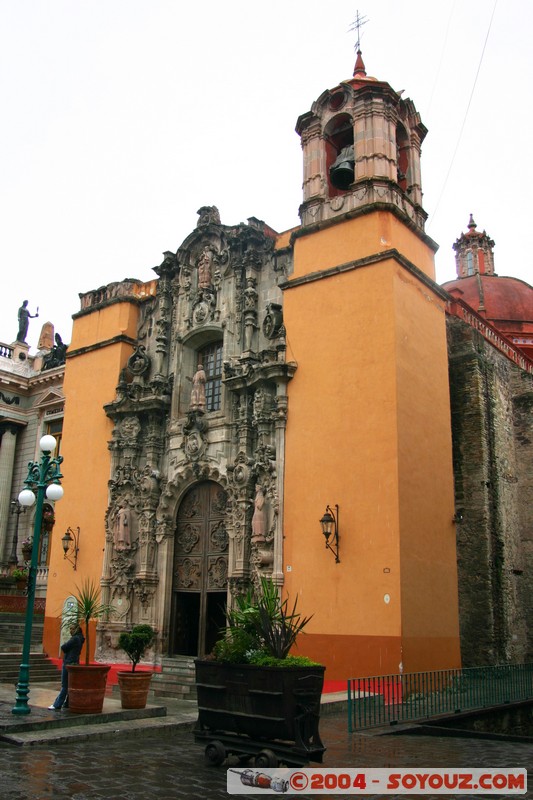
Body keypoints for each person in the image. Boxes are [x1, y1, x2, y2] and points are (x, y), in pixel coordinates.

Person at [48, 624, 85, 710]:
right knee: (69, 684)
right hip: (74, 661)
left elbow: (64, 647)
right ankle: (67, 703)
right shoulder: (80, 638)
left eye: (72, 629)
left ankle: (57, 704)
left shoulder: (75, 638)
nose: (70, 631)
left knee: (65, 684)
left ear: (76, 629)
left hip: (68, 662)